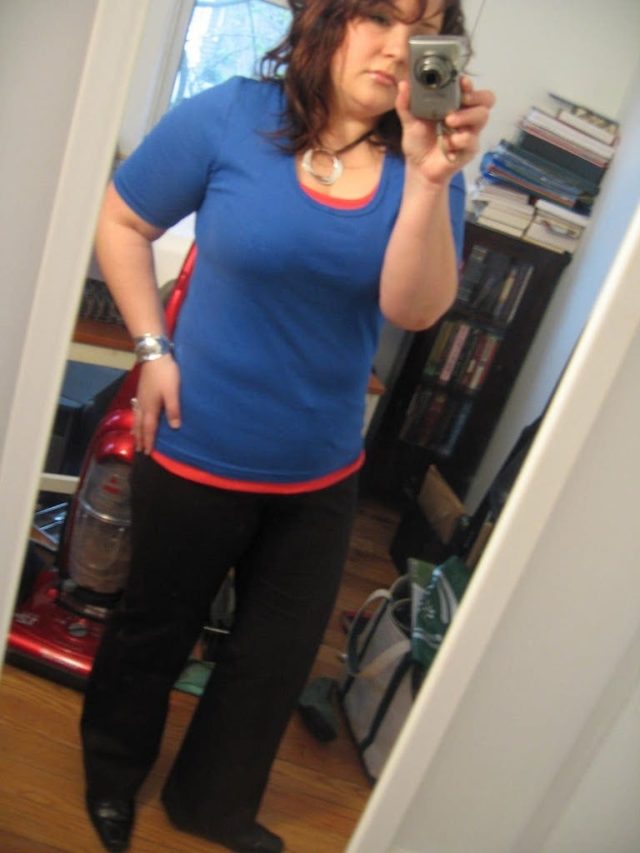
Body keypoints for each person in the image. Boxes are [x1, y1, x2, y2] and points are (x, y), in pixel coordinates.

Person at [80, 0, 494, 850]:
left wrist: (428, 181)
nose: (396, 47)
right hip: (195, 445)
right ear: (324, 19)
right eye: (377, 15)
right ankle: (112, 776)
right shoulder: (232, 115)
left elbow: (413, 310)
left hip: (321, 470)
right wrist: (153, 347)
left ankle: (210, 805)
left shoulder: (427, 164)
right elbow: (122, 219)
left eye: (421, 28)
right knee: (154, 629)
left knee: (273, 660)